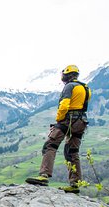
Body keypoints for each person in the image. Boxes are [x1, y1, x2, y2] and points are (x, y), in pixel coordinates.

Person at [26, 65, 91, 193]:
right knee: (72, 151)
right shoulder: (85, 88)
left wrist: (59, 120)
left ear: (66, 75)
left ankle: (44, 176)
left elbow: (64, 104)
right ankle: (74, 184)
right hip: (81, 122)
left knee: (50, 145)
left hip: (68, 120)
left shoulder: (69, 86)